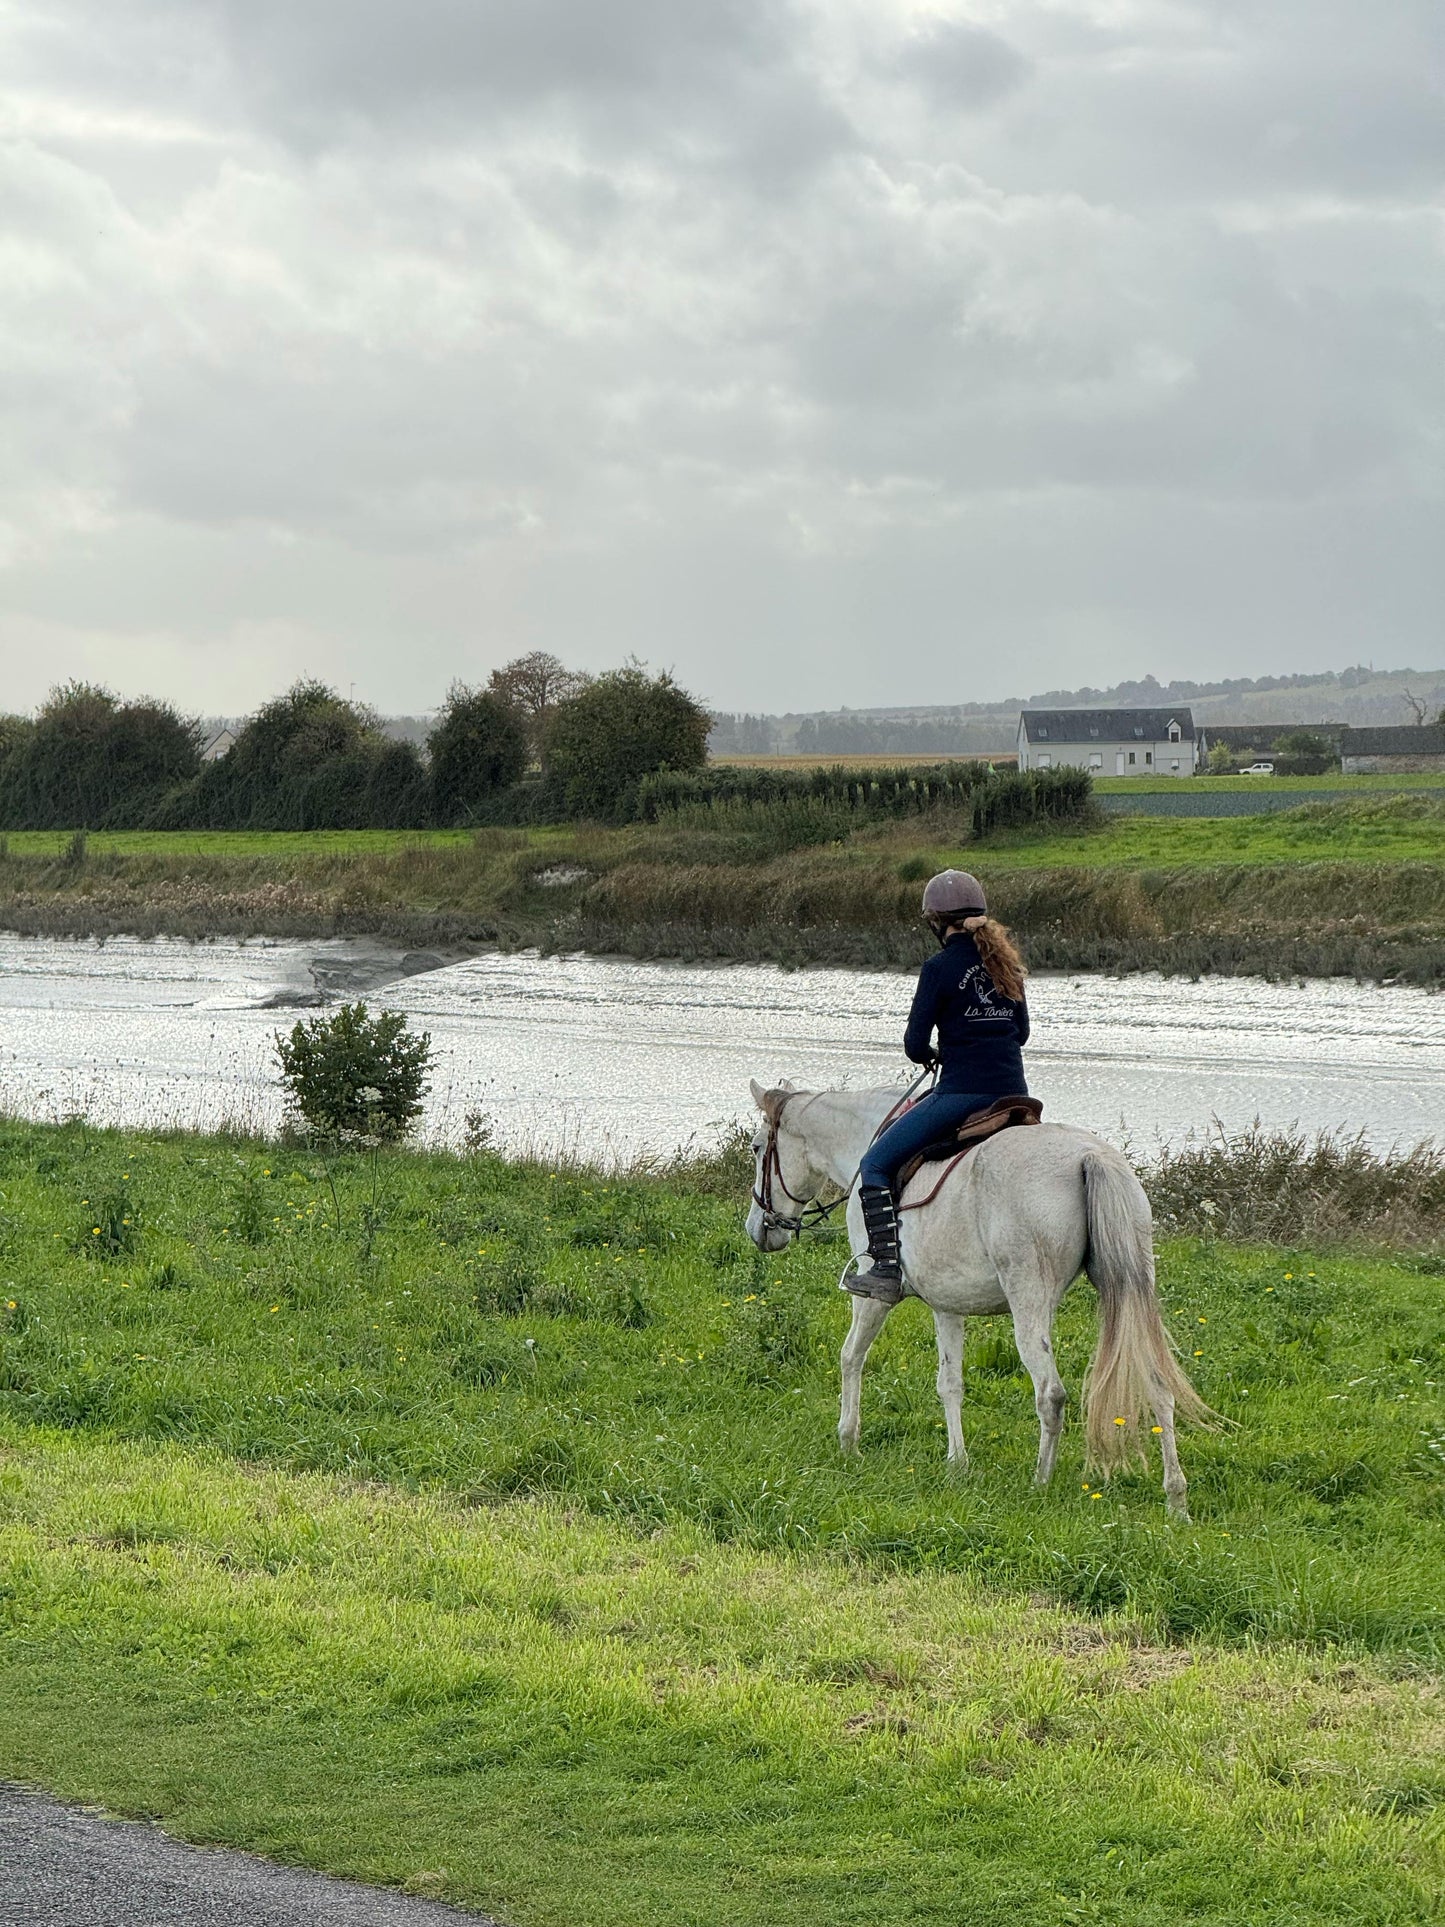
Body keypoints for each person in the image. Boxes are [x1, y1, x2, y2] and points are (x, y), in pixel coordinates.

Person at [849, 869, 1031, 1303]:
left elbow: (914, 1043)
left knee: (874, 1164)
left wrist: (934, 1053)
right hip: (1014, 1093)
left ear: (937, 922)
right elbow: (1020, 1034)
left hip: (960, 1095)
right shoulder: (1006, 964)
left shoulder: (938, 968)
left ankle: (886, 1269)